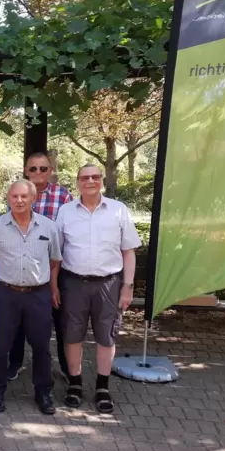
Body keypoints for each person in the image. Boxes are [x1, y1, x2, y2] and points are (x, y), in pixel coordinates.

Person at [54, 164, 141, 414]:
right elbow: (57, 255)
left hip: (109, 284)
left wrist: (127, 287)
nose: (90, 181)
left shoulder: (118, 210)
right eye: (84, 177)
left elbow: (129, 252)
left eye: (95, 176)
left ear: (101, 180)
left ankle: (102, 387)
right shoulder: (66, 212)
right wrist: (54, 286)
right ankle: (75, 384)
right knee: (72, 335)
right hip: (73, 283)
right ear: (78, 181)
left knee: (106, 335)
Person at [0, 179, 62, 415]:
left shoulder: (48, 227)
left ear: (33, 199)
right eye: (14, 196)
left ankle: (43, 392)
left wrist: (53, 287)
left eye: (24, 196)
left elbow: (55, 259)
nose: (19, 200)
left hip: (38, 295)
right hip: (7, 294)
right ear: (8, 198)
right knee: (0, 345)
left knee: (41, 346)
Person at [8, 152, 73, 382]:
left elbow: (69, 231)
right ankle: (14, 363)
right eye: (33, 168)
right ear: (26, 170)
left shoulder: (63, 196)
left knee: (60, 320)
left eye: (43, 168)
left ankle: (66, 367)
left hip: (55, 267)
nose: (38, 173)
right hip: (25, 270)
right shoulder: (18, 193)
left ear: (51, 171)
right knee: (17, 324)